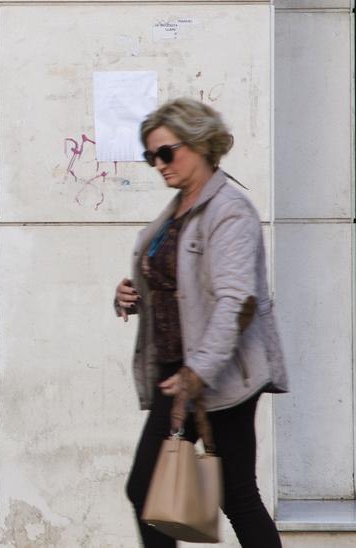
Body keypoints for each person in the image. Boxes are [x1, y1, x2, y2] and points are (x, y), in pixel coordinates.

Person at [115, 98, 289, 547]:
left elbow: (236, 301)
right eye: (150, 155)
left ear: (198, 144)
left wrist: (199, 372)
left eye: (166, 153)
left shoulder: (229, 210)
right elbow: (179, 284)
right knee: (149, 490)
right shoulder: (178, 209)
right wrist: (133, 296)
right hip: (177, 373)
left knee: (236, 496)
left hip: (216, 376)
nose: (158, 164)